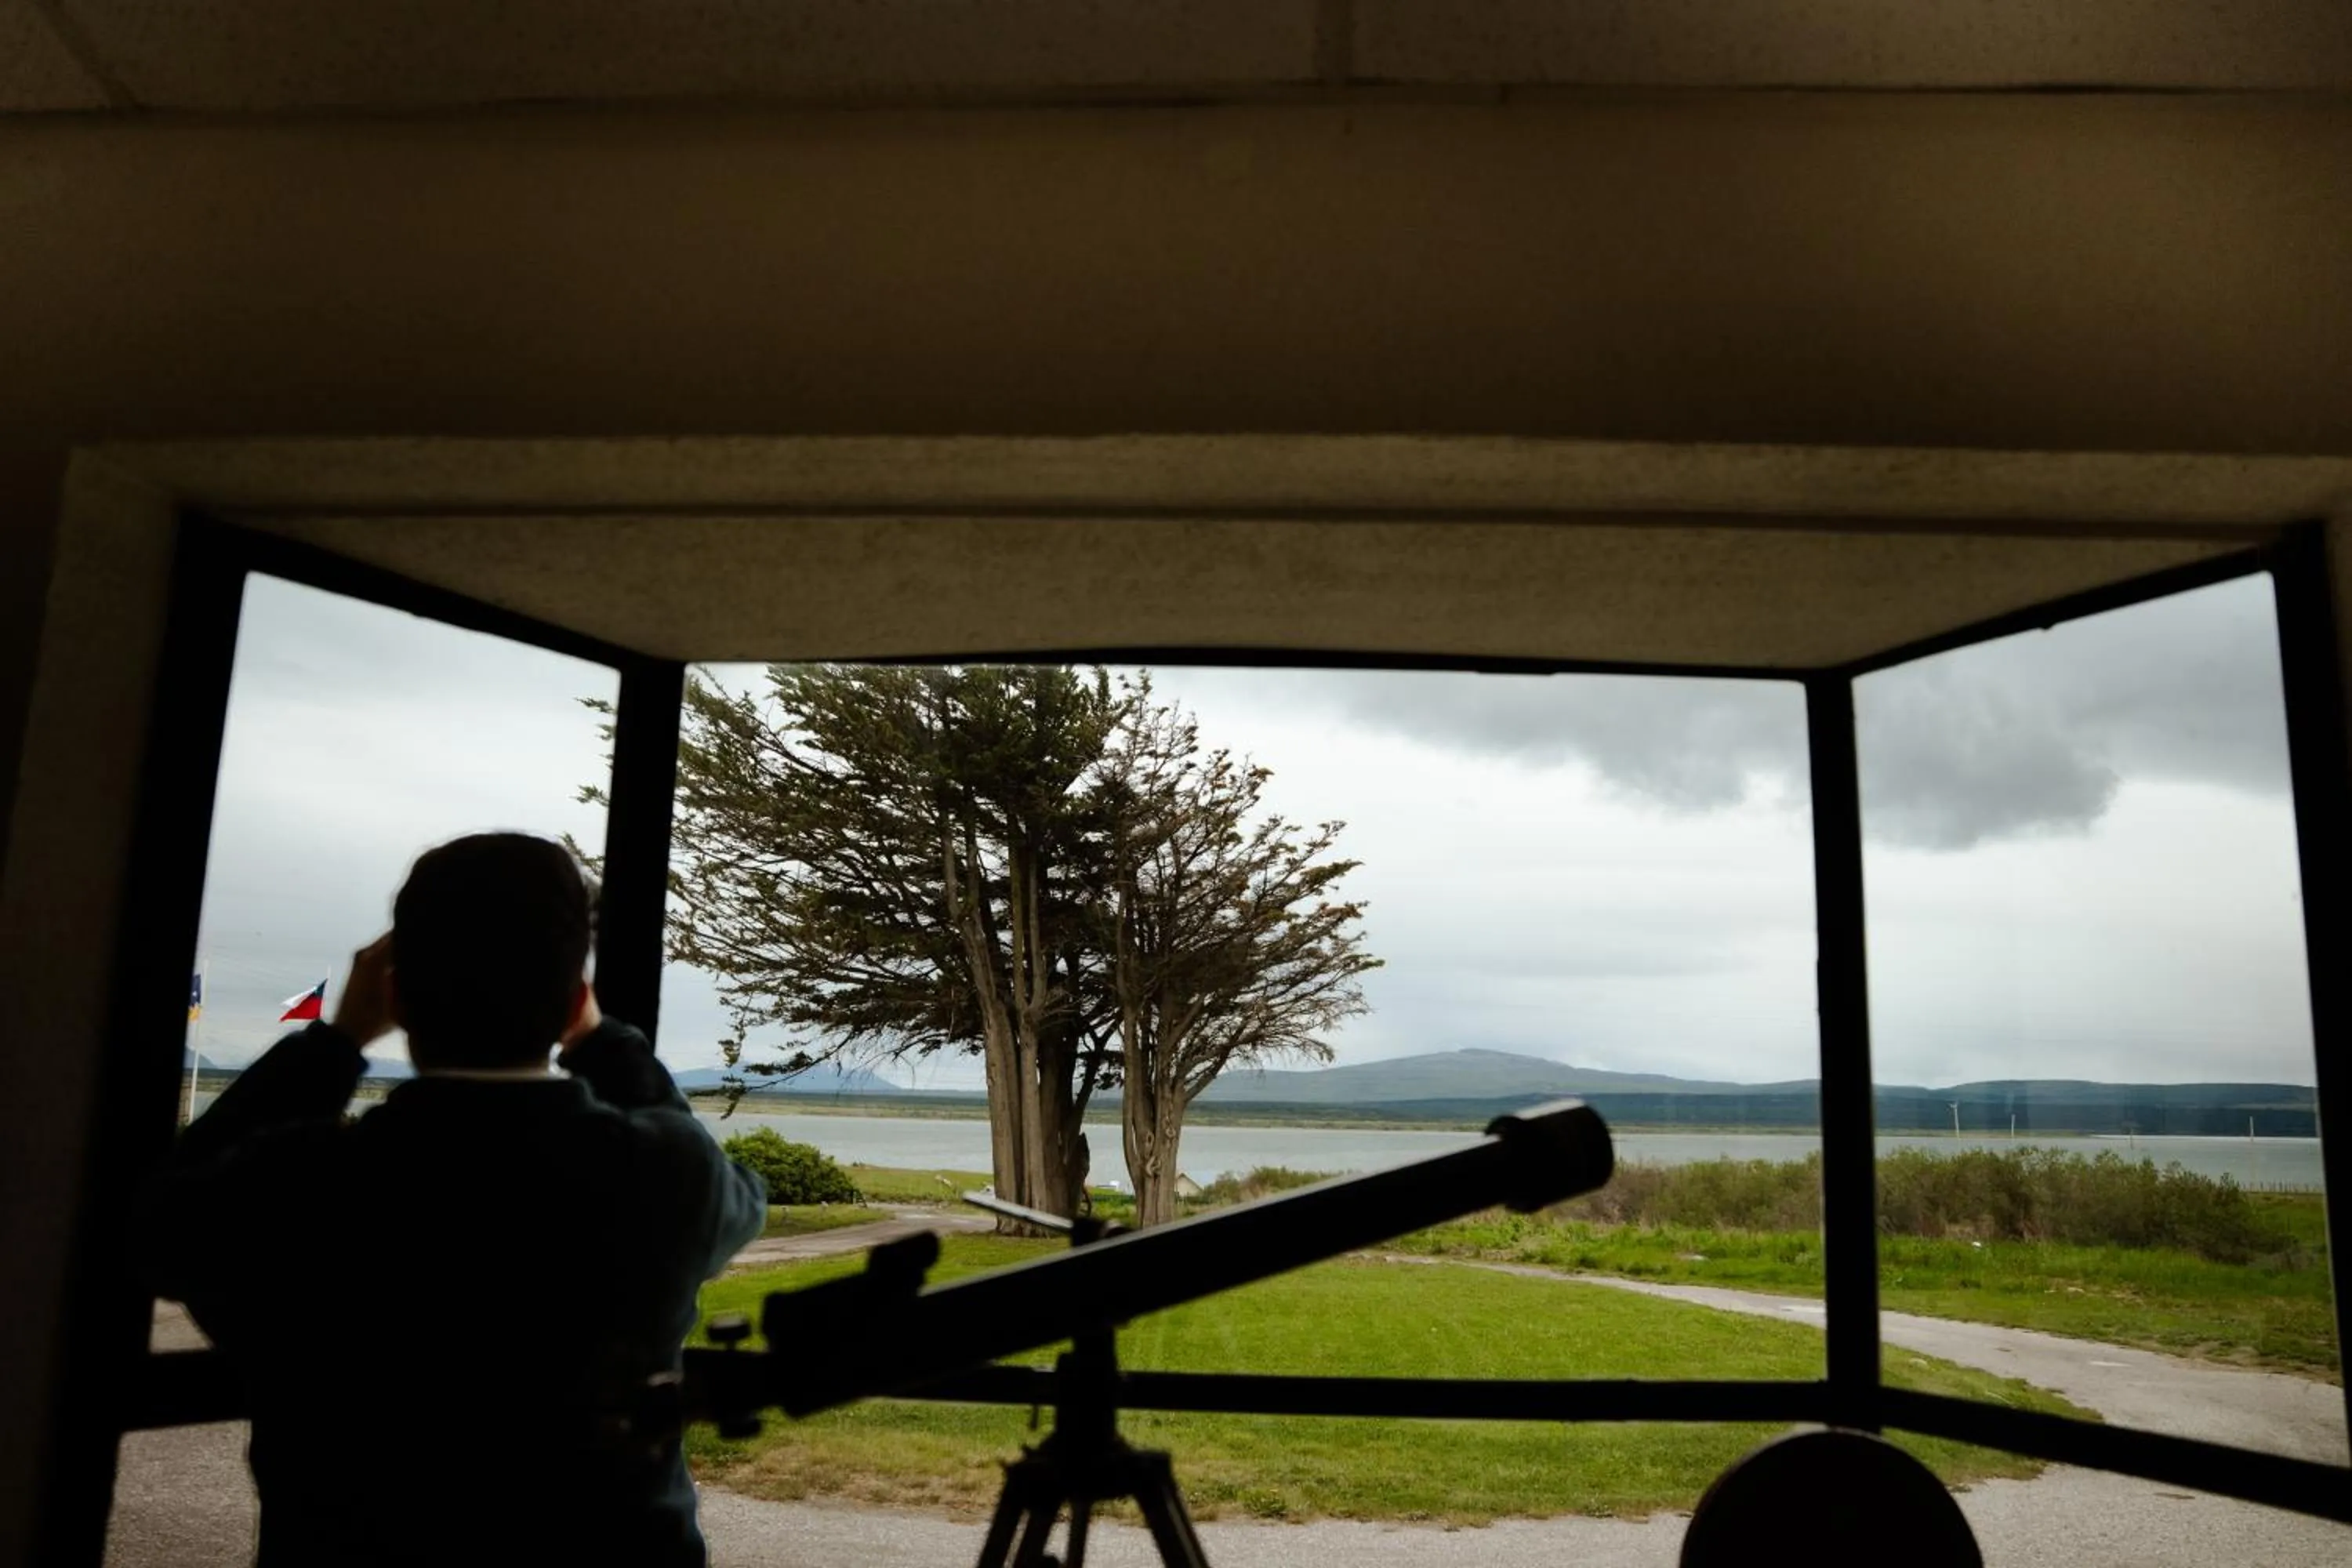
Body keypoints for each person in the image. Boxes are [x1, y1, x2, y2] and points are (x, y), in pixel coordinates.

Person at [144, 833, 767, 1567]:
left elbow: (160, 1228)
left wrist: (336, 1042)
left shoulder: (306, 1180)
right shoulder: (661, 1174)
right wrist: (603, 1043)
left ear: (396, 997)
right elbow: (736, 1199)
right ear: (573, 1002)